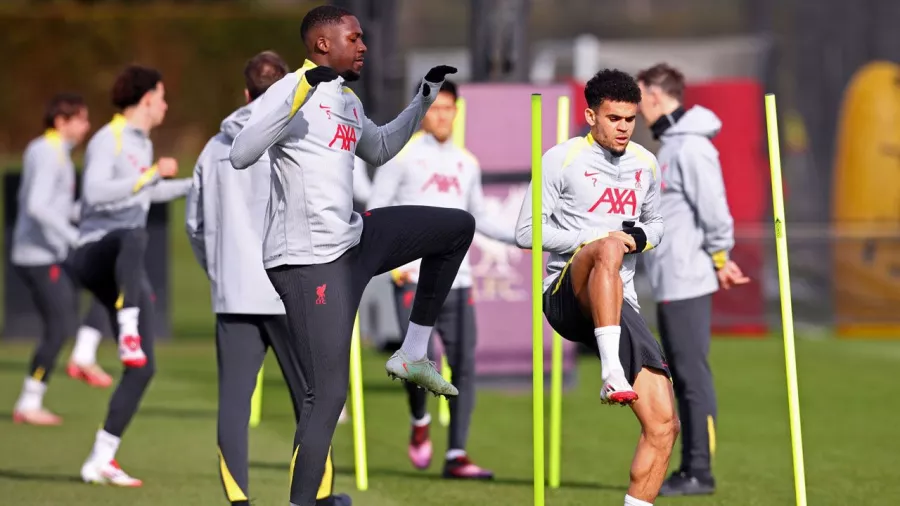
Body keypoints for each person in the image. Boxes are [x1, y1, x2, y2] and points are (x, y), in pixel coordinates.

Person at [229, 6, 473, 505]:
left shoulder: (344, 96)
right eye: (354, 38)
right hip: (307, 262)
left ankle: (412, 352)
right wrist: (300, 90)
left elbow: (379, 148)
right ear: (322, 44)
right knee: (326, 397)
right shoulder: (289, 89)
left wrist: (421, 103)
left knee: (455, 228)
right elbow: (241, 152)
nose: (364, 47)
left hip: (353, 241)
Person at [186, 50, 352, 506]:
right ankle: (316, 498)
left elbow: (195, 226)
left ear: (245, 92)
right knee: (313, 400)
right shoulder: (303, 132)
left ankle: (239, 501)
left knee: (234, 405)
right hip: (291, 285)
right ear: (284, 88)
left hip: (234, 292)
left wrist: (218, 271)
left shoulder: (213, 147)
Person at [515, 69, 677, 506]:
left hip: (621, 301)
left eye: (630, 118)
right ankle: (610, 373)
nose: (624, 127)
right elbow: (526, 232)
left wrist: (640, 238)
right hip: (567, 292)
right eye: (613, 118)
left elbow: (657, 221)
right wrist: (595, 240)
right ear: (590, 115)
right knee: (606, 246)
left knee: (663, 424)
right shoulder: (561, 159)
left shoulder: (645, 163)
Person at [368, 80, 512, 479]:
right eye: (434, 108)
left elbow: (480, 217)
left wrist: (524, 237)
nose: (441, 115)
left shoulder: (467, 162)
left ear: (456, 111)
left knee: (464, 365)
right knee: (416, 361)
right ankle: (419, 423)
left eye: (448, 108)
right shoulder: (403, 155)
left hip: (459, 280)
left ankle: (457, 455)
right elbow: (377, 209)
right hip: (412, 277)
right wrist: (393, 263)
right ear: (423, 111)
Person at [70, 65, 192, 486]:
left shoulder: (142, 141)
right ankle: (123, 330)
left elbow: (149, 191)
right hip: (94, 252)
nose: (165, 104)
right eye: (161, 96)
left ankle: (100, 459)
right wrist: (150, 174)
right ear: (144, 100)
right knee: (131, 235)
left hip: (125, 257)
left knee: (143, 369)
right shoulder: (111, 137)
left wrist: (194, 186)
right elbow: (95, 194)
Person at [636, 63, 749, 497]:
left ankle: (699, 471)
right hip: (671, 280)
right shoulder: (669, 146)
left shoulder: (690, 148)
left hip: (688, 279)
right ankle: (692, 468)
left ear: (654, 95)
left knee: (691, 375)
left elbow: (715, 210)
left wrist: (721, 256)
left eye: (639, 93)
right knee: (681, 375)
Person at [10, 93, 112, 426]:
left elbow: (55, 207)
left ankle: (82, 356)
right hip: (38, 256)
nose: (86, 126)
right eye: (81, 119)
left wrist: (96, 206)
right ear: (61, 121)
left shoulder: (58, 154)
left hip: (51, 251)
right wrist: (73, 238)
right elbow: (37, 206)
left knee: (108, 285)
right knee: (58, 327)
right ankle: (29, 403)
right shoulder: (46, 152)